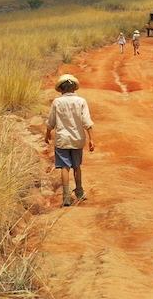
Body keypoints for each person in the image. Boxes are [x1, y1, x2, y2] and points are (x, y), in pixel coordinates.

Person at [45, 74, 95, 207]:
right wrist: (91, 139)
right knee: (77, 166)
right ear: (74, 88)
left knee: (65, 167)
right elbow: (86, 121)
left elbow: (51, 121)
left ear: (61, 89)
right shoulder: (81, 101)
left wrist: (47, 134)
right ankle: (79, 191)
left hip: (62, 140)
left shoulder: (57, 102)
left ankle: (66, 197)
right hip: (77, 139)